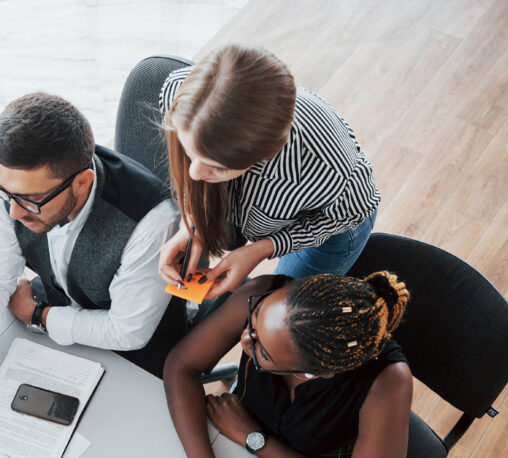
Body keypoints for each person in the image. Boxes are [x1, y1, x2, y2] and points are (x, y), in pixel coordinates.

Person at [0, 92, 184, 388]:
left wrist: (37, 315)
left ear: (82, 182)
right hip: (58, 321)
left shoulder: (151, 222)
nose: (14, 212)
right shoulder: (12, 186)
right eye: (6, 194)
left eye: (31, 201)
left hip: (136, 355)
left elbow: (128, 331)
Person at [163, 271, 412, 458]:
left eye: (264, 354)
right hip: (232, 448)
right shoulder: (263, 292)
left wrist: (256, 439)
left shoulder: (388, 382)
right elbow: (181, 365)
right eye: (254, 320)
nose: (245, 339)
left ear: (318, 373)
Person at [157, 44, 381, 300]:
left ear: (267, 154)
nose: (194, 174)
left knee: (282, 305)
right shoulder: (179, 94)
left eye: (218, 167)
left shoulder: (329, 166)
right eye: (190, 153)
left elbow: (357, 208)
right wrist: (191, 225)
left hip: (331, 223)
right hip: (262, 210)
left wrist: (263, 249)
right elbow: (197, 177)